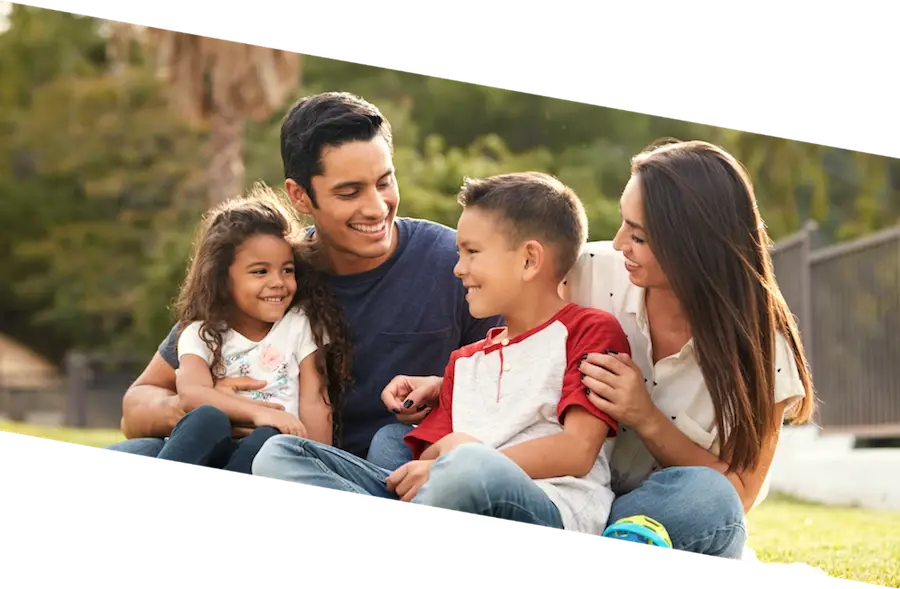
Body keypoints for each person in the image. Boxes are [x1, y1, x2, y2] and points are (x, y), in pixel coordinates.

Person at [363, 139, 817, 560]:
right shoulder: (590, 270)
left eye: (638, 235)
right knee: (392, 442)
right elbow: (524, 347)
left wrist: (646, 417)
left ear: (692, 244)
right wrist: (449, 389)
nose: (620, 243)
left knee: (708, 497)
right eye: (623, 222)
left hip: (647, 512)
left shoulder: (761, 346)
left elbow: (741, 493)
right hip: (551, 486)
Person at [102, 91, 502, 468]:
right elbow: (136, 404)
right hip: (239, 448)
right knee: (133, 449)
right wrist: (210, 408)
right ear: (299, 196)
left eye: (384, 182)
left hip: (369, 468)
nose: (377, 207)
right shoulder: (270, 274)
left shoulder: (453, 265)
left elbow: (515, 392)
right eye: (349, 192)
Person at [252, 172, 633, 537]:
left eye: (471, 253)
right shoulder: (464, 361)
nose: (458, 269)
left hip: (549, 505)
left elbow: (578, 450)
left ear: (529, 259)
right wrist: (438, 460)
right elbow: (429, 453)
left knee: (466, 467)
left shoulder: (588, 330)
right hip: (443, 491)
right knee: (280, 455)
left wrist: (455, 457)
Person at [143, 189, 353, 478]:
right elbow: (192, 394)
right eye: (259, 272)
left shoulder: (301, 324)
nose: (278, 282)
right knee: (207, 417)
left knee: (270, 437)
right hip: (209, 449)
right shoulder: (201, 333)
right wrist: (257, 411)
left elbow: (315, 401)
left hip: (265, 458)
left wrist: (317, 467)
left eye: (287, 270)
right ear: (222, 278)